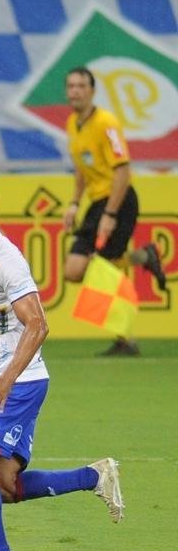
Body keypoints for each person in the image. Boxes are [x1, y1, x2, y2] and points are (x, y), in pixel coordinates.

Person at [0, 178, 124, 551]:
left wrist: (6, 380)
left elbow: (37, 324)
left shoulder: (5, 257)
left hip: (15, 383)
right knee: (4, 485)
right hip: (4, 380)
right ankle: (95, 476)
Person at [63, 66, 167, 356]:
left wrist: (110, 214)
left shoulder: (106, 123)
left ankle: (125, 339)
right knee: (74, 270)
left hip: (118, 201)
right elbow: (82, 170)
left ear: (92, 91)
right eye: (71, 86)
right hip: (96, 203)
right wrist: (74, 203)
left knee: (105, 267)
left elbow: (123, 172)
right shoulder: (73, 124)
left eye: (81, 86)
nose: (75, 91)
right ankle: (145, 256)